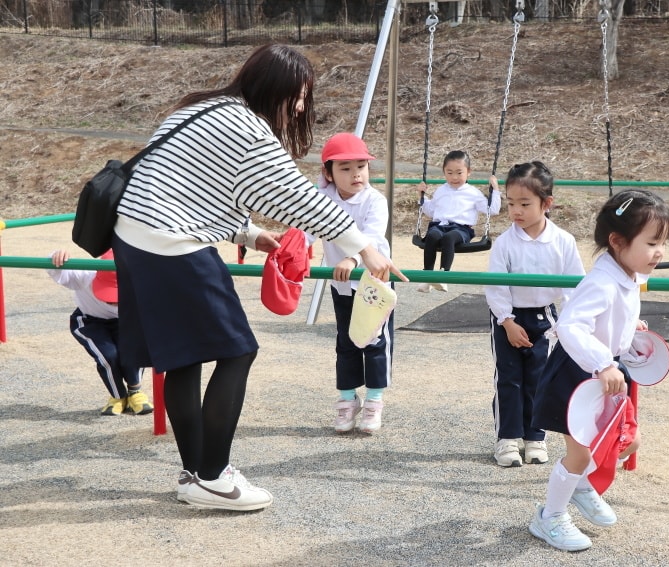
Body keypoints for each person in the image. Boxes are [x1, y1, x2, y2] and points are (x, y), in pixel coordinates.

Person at [112, 44, 406, 512]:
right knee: (238, 350)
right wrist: (365, 248)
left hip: (135, 240)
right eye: (300, 96)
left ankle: (194, 474)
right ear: (277, 90)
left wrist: (247, 234)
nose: (302, 107)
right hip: (173, 245)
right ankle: (214, 476)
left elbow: (190, 187)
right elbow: (296, 197)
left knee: (184, 360)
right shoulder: (248, 127)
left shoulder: (201, 108)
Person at [528, 189, 669, 551]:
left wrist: (630, 330)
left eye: (663, 242)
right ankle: (549, 517)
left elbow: (610, 317)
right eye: (652, 243)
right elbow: (571, 326)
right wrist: (604, 363)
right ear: (617, 241)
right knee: (579, 453)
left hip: (603, 372)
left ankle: (580, 484)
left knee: (626, 440)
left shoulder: (629, 274)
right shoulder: (602, 282)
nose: (660, 251)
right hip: (578, 373)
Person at [484, 162, 585, 468]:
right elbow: (496, 286)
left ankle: (535, 437)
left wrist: (568, 324)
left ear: (547, 203)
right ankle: (507, 438)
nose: (516, 211)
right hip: (508, 319)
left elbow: (574, 287)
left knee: (540, 379)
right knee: (509, 379)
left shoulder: (563, 241)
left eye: (525, 204)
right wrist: (507, 321)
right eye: (511, 203)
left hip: (544, 318)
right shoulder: (505, 243)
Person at [309, 132, 393, 434]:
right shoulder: (322, 200)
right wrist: (292, 250)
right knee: (345, 342)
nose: (356, 174)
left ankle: (374, 401)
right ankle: (347, 400)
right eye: (345, 168)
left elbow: (371, 237)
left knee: (373, 341)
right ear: (328, 173)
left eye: (361, 166)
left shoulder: (374, 201)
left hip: (373, 284)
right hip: (342, 286)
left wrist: (352, 260)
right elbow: (306, 229)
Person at [47, 248, 154, 417]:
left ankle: (135, 392)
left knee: (133, 349)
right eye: (108, 293)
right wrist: (56, 255)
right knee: (108, 355)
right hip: (90, 320)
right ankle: (118, 397)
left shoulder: (140, 283)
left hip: (125, 320)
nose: (112, 301)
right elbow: (56, 270)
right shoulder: (86, 275)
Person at [416, 150, 501, 293]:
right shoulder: (440, 191)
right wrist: (421, 196)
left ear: (468, 172)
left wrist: (496, 189)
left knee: (449, 238)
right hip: (440, 225)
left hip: (461, 229)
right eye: (449, 173)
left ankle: (443, 276)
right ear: (444, 172)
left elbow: (492, 209)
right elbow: (431, 211)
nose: (454, 177)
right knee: (432, 235)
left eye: (459, 173)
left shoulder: (473, 193)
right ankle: (427, 276)